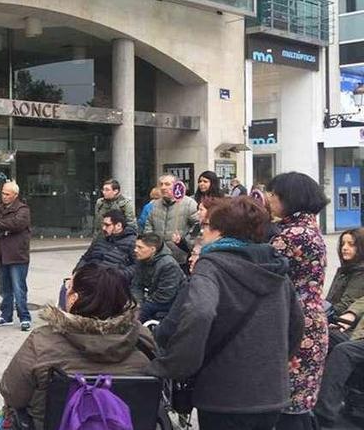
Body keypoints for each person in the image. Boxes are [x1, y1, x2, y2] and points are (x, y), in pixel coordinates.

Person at [147, 197, 304, 430]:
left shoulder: (211, 266)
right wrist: (277, 362)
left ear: (220, 231)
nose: (203, 233)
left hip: (224, 393)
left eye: (206, 226)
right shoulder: (275, 267)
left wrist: (174, 366)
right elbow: (297, 322)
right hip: (271, 392)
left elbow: (199, 313)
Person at [0, 264, 155, 430]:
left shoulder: (42, 341)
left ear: (73, 298)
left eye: (69, 285)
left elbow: (11, 393)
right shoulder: (142, 339)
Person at [267, 172, 330, 430]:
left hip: (295, 323)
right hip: (311, 320)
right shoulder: (308, 228)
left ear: (289, 198)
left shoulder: (292, 234)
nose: (269, 199)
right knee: (299, 402)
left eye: (274, 195)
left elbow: (263, 268)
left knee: (290, 405)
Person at [313, 228, 364, 428]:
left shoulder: (359, 272)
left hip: (354, 334)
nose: (345, 248)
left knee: (343, 350)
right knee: (321, 333)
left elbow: (347, 304)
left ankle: (323, 414)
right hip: (351, 328)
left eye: (351, 244)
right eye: (343, 243)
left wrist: (345, 315)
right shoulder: (345, 270)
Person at [0, 180, 33, 331]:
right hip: (1, 255)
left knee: (19, 288)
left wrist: (0, 224)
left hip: (17, 255)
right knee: (5, 288)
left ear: (15, 195)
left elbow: (18, 224)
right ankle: (6, 315)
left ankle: (25, 317)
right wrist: (4, 227)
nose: (4, 196)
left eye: (7, 194)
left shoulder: (23, 209)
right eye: (3, 193)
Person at [131, 233, 185, 322]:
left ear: (152, 249)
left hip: (170, 302)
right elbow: (136, 285)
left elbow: (165, 296)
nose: (135, 250)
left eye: (140, 247)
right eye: (136, 246)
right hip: (151, 296)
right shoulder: (141, 259)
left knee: (139, 314)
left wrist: (143, 305)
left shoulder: (168, 265)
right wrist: (138, 302)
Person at [76, 209, 137, 278]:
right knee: (66, 286)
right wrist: (76, 273)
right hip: (90, 275)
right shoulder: (100, 238)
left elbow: (137, 266)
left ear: (118, 226)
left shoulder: (132, 242)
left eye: (107, 225)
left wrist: (118, 275)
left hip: (111, 280)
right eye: (103, 224)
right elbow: (85, 258)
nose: (103, 228)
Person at [144, 173, 199, 247]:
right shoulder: (155, 204)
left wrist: (185, 241)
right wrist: (151, 243)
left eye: (167, 184)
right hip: (159, 251)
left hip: (180, 251)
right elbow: (149, 226)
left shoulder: (189, 203)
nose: (163, 187)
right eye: (161, 184)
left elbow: (198, 225)